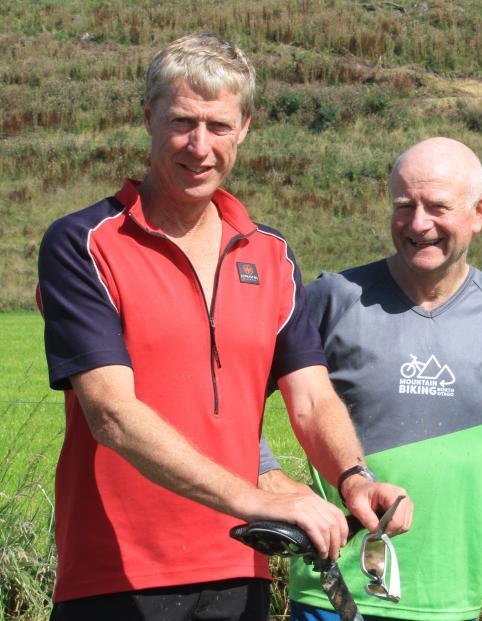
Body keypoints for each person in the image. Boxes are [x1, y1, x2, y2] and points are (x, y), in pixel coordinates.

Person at [36, 32, 410, 621]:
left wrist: (354, 478)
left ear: (245, 129)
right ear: (148, 118)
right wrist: (255, 498)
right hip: (116, 574)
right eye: (183, 122)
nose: (199, 146)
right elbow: (111, 414)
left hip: (240, 567)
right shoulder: (83, 244)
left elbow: (310, 398)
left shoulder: (271, 255)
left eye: (219, 126)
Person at [262, 137, 482, 620]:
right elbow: (231, 392)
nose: (418, 224)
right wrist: (269, 478)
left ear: (479, 212)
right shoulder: (333, 299)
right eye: (404, 206)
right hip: (331, 593)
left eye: (437, 207)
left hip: (450, 595)